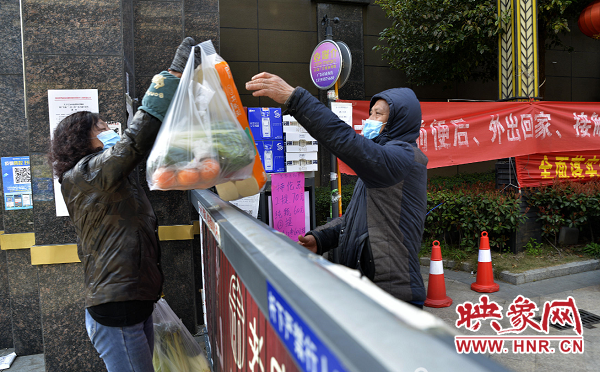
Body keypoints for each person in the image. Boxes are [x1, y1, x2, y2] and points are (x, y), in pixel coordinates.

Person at [48, 37, 199, 371]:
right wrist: (171, 77)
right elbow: (132, 144)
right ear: (80, 140)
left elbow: (140, 150)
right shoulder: (85, 174)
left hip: (133, 302)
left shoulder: (109, 176)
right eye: (102, 128)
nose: (110, 131)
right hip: (116, 310)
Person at [246, 73, 428, 308]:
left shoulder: (400, 159)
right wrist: (321, 238)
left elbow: (345, 140)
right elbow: (359, 219)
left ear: (399, 121)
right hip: (369, 289)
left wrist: (295, 99)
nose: (370, 119)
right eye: (371, 112)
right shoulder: (382, 162)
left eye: (378, 114)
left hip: (393, 294)